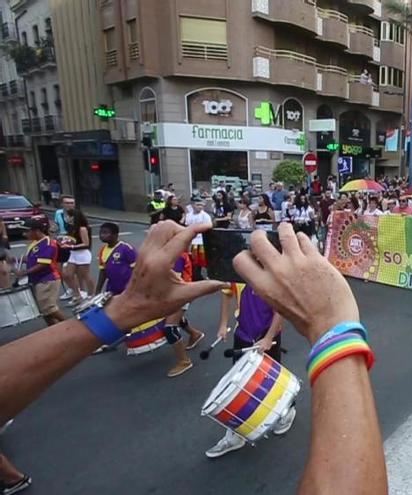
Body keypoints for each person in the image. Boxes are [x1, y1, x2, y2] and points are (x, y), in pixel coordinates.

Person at [0, 221, 386, 493]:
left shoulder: (276, 291)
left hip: (261, 337)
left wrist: (121, 312)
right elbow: (228, 300)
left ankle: (280, 410)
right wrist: (334, 326)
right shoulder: (240, 283)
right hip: (243, 334)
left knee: (267, 377)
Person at [206, 280, 291, 457]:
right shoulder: (237, 273)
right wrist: (223, 324)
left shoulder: (271, 275)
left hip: (267, 335)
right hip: (243, 334)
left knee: (272, 379)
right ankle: (235, 435)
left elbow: (280, 308)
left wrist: (268, 338)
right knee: (238, 383)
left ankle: (287, 410)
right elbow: (226, 294)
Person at [16, 219, 67, 325]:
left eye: (27, 231)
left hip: (47, 279)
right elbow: (34, 258)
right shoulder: (36, 243)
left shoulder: (48, 244)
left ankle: (70, 324)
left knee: (50, 308)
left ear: (37, 231)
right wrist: (17, 259)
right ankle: (54, 329)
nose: (24, 234)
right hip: (39, 280)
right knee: (44, 311)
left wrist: (25, 272)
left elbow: (43, 264)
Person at [66, 209, 96, 304]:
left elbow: (86, 243)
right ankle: (77, 294)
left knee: (85, 275)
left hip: (82, 253)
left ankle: (91, 295)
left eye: (70, 216)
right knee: (68, 274)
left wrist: (72, 246)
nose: (68, 218)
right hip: (73, 253)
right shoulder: (71, 227)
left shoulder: (82, 228)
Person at [185, 201, 212, 281]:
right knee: (192, 259)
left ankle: (200, 275)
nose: (200, 206)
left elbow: (209, 227)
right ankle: (194, 275)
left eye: (201, 205)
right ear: (193, 205)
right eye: (197, 205)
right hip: (191, 240)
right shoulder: (189, 215)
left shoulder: (205, 216)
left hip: (201, 241)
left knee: (201, 260)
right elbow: (187, 226)